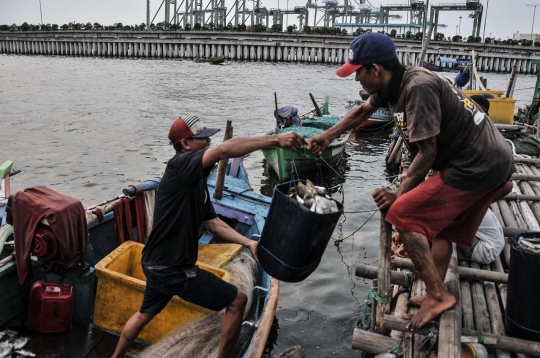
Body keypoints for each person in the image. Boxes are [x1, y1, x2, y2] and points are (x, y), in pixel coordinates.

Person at [307, 33, 515, 331]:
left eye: (358, 72)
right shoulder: (396, 84)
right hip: (484, 160)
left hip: (476, 165)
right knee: (443, 230)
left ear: (375, 69)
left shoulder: (417, 88)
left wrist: (398, 194)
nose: (356, 81)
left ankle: (438, 295)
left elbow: (427, 155)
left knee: (402, 213)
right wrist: (329, 135)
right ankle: (435, 294)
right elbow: (363, 110)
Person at [112, 115, 304, 358]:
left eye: (208, 138)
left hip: (155, 263)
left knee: (143, 315)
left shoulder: (196, 182)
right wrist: (276, 139)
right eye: (202, 139)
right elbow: (224, 150)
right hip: (173, 267)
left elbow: (214, 224)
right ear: (185, 145)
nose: (208, 142)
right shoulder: (180, 165)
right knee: (237, 301)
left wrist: (249, 242)